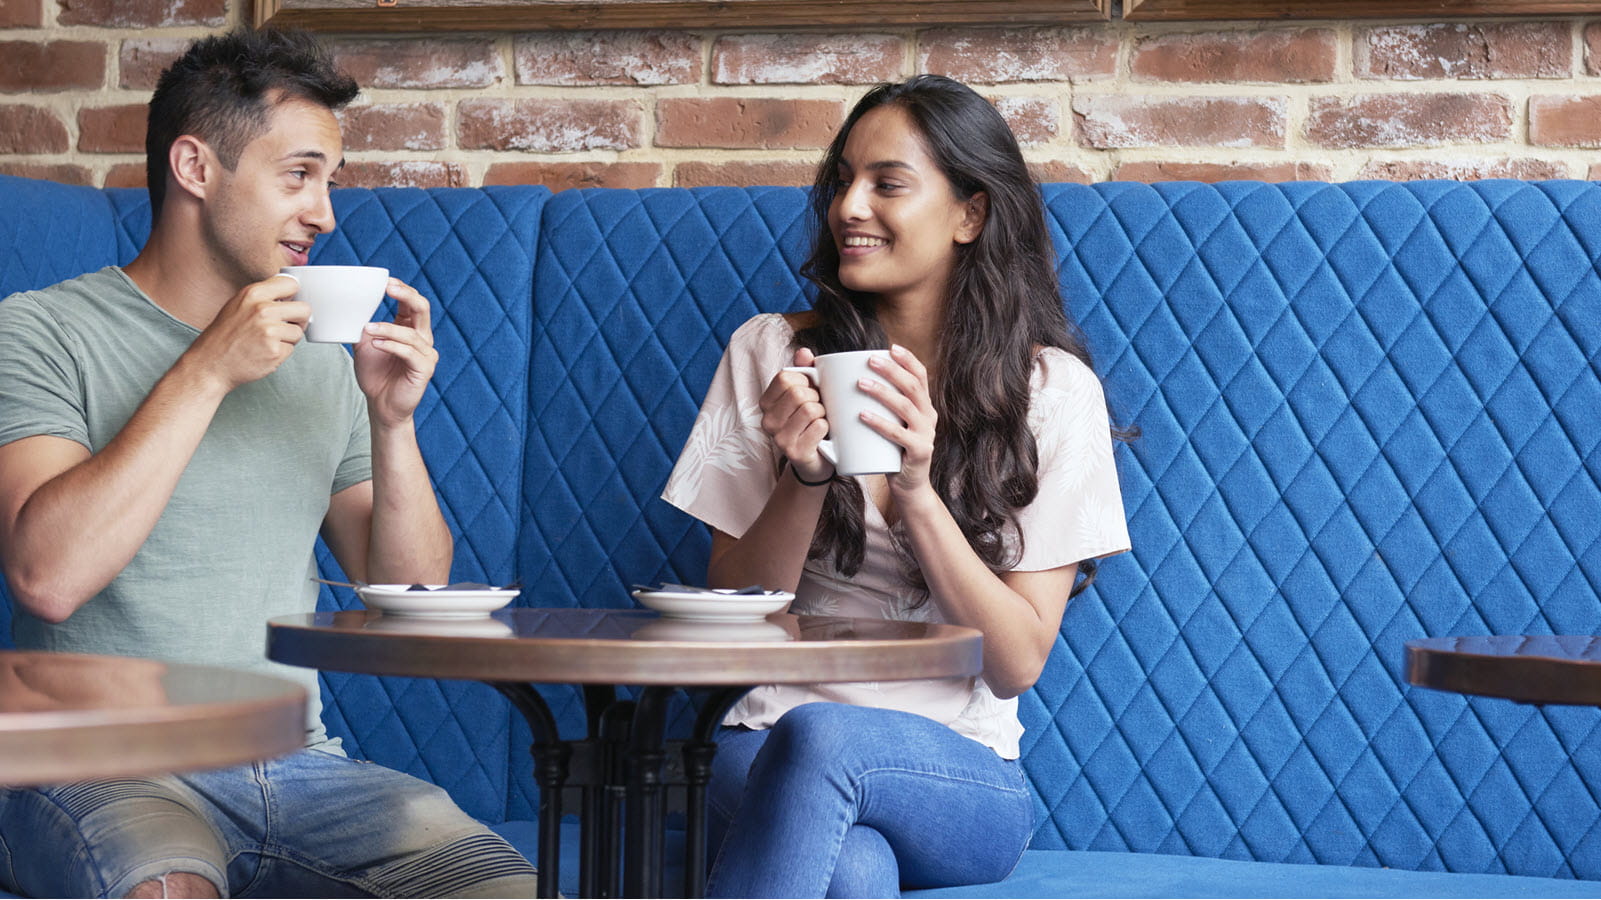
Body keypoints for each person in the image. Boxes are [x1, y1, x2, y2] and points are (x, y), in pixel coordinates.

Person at [0, 27, 538, 898]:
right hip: (96, 755)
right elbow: (47, 575)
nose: (324, 213)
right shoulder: (39, 329)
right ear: (195, 167)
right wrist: (208, 367)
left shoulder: (326, 364)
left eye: (328, 180)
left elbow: (407, 598)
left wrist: (392, 422)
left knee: (504, 889)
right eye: (298, 175)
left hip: (295, 768)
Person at [662, 74, 1132, 897]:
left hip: (957, 774)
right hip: (764, 742)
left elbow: (1015, 661)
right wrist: (805, 477)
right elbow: (733, 615)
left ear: (969, 214)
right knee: (852, 869)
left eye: (887, 183)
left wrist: (914, 491)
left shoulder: (1053, 391)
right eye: (842, 179)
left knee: (827, 742)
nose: (848, 206)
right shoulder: (770, 352)